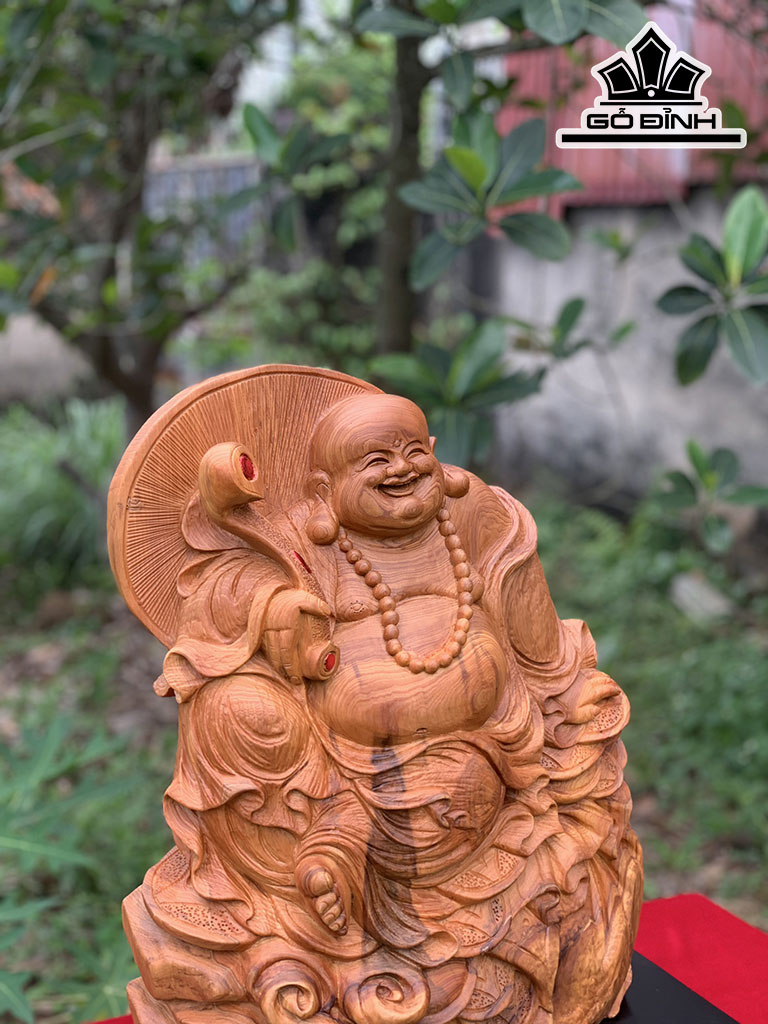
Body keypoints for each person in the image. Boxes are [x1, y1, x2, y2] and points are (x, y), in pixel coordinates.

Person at [124, 393, 642, 1024]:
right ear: (324, 488)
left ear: (437, 457)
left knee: (467, 795)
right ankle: (314, 875)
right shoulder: (299, 534)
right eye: (376, 460)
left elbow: (539, 641)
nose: (402, 469)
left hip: (476, 746)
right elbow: (224, 586)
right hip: (329, 758)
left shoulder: (476, 514)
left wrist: (565, 695)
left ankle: (347, 857)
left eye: (415, 452)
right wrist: (272, 609)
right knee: (230, 706)